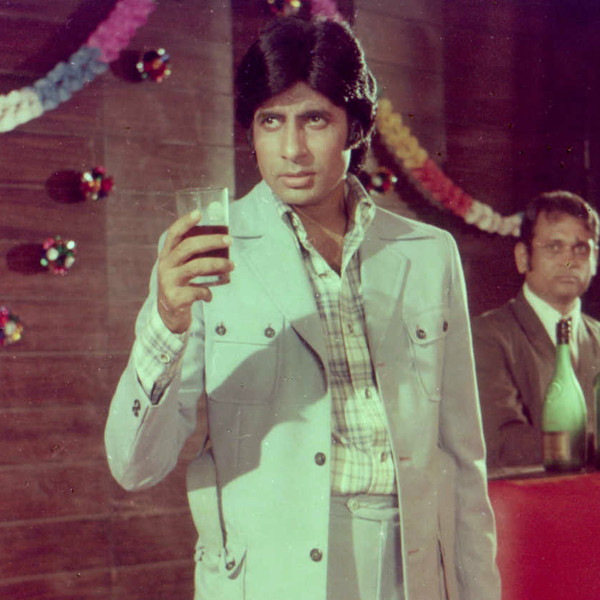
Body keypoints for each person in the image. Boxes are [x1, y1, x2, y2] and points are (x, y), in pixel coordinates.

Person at [105, 15, 500, 600]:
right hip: (272, 577)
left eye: (315, 119)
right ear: (251, 131)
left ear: (354, 128)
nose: (291, 150)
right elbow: (134, 466)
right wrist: (166, 322)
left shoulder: (427, 253)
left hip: (413, 568)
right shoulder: (205, 251)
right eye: (271, 121)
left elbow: (464, 460)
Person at [472, 190, 600, 471]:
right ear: (523, 257)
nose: (569, 261)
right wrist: (590, 448)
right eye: (554, 247)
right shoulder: (486, 336)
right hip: (530, 496)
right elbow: (502, 442)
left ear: (595, 260)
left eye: (581, 248)